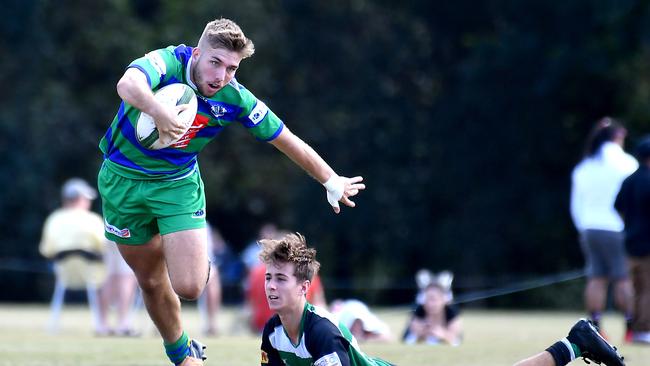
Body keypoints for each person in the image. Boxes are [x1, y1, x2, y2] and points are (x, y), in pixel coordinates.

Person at [97, 18, 365, 366]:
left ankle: (183, 249)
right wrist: (159, 111)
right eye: (215, 62)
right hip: (122, 181)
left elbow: (285, 138)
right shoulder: (167, 62)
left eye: (232, 68)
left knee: (190, 287)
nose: (222, 75)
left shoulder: (235, 97)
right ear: (197, 53)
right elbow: (127, 84)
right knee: (149, 280)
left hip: (176, 184)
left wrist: (331, 180)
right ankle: (183, 355)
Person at [258, 233, 625, 366]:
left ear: (304, 287)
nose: (271, 286)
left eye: (281, 279)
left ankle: (576, 343)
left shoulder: (321, 330)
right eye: (269, 278)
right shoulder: (273, 331)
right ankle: (575, 343)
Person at [570, 116, 637, 340]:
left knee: (596, 278)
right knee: (622, 279)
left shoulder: (584, 166)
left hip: (589, 228)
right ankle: (630, 326)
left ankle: (596, 327)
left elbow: (575, 204)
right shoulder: (627, 163)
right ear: (618, 136)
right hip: (617, 228)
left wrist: (582, 227)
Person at [39, 178, 107, 334]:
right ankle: (107, 324)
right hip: (94, 276)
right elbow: (104, 247)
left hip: (63, 275)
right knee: (120, 274)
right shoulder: (92, 220)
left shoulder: (54, 219)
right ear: (80, 199)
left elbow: (46, 250)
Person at [615, 135, 650, 344]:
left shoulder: (628, 180)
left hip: (629, 242)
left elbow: (617, 207)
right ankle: (643, 329)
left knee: (632, 288)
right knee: (647, 289)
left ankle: (631, 326)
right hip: (647, 245)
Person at [97, 241, 140, 336]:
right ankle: (123, 324)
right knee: (127, 277)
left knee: (111, 276)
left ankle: (102, 324)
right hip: (126, 233)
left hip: (111, 232)